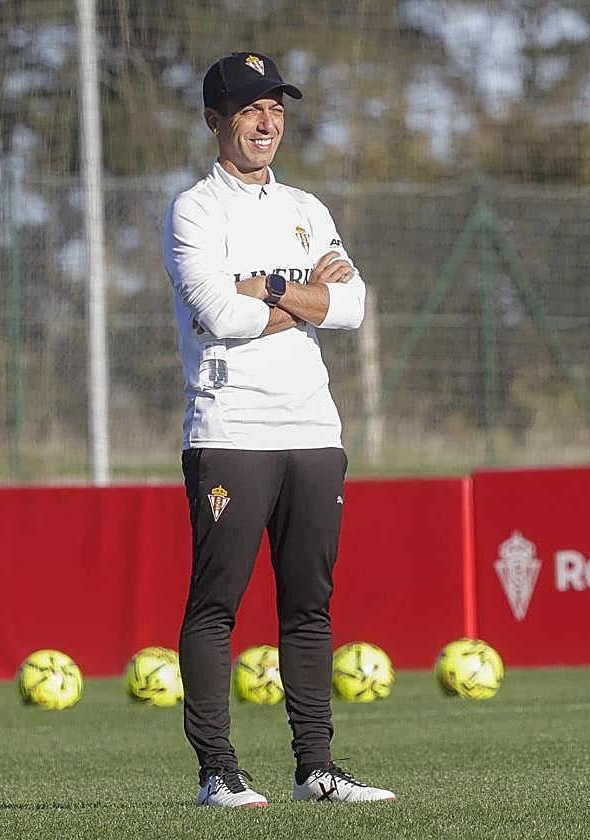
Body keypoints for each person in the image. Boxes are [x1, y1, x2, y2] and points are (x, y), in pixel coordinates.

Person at [161, 52, 395, 808]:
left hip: (312, 427)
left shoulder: (308, 208)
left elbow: (356, 306)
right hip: (231, 425)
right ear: (215, 122)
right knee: (218, 602)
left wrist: (261, 287)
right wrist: (301, 291)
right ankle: (216, 772)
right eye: (250, 109)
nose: (267, 123)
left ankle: (316, 768)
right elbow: (218, 317)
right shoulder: (196, 209)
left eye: (277, 109)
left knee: (309, 604)